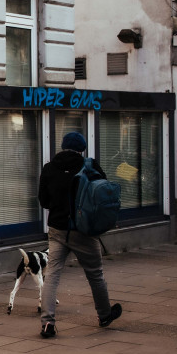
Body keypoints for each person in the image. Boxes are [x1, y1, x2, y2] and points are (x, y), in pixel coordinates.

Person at [36, 131, 122, 338]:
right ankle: (104, 315)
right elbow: (102, 196)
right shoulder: (89, 166)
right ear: (82, 148)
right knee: (95, 274)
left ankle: (47, 323)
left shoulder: (49, 168)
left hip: (57, 230)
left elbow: (44, 201)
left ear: (63, 146)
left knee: (52, 276)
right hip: (83, 231)